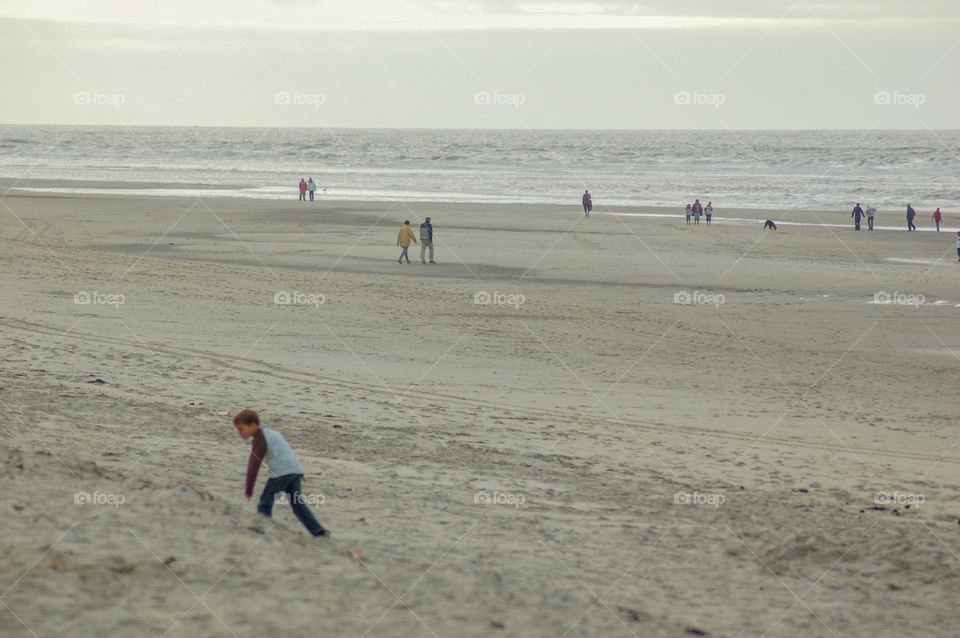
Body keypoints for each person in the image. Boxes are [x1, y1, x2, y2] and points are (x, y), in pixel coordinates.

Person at [233, 409, 327, 537]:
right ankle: (318, 531)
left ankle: (261, 528)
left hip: (281, 473)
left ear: (253, 425)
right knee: (298, 504)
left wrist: (249, 488)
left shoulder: (260, 438)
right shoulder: (271, 433)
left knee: (265, 502)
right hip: (295, 470)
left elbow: (254, 464)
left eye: (241, 429)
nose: (239, 433)